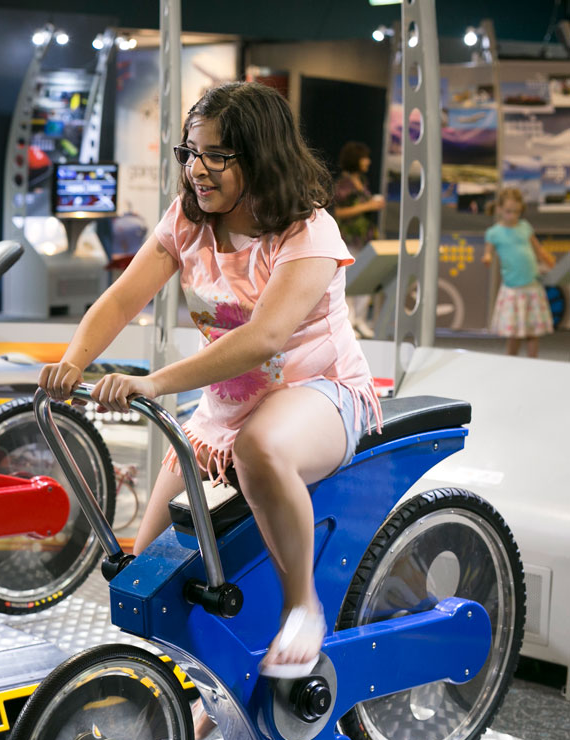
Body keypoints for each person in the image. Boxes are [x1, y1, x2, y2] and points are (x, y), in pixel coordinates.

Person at [39, 82, 381, 681]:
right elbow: (122, 299)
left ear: (261, 155)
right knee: (147, 572)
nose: (198, 170)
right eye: (191, 153)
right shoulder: (189, 221)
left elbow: (264, 339)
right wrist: (72, 361)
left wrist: (154, 382)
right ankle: (208, 685)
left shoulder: (308, 232)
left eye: (216, 155)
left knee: (262, 449)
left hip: (319, 393)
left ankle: (304, 606)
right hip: (226, 408)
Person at [482, 187, 556, 357]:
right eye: (508, 211)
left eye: (516, 212)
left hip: (532, 287)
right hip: (513, 290)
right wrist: (486, 257)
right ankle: (511, 361)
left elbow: (537, 249)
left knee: (532, 332)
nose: (513, 216)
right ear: (499, 209)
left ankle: (533, 362)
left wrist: (547, 259)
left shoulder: (525, 227)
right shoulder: (494, 233)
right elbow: (488, 251)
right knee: (514, 332)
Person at [331, 141, 385, 338]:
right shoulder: (343, 184)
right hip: (348, 239)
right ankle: (349, 321)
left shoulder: (362, 182)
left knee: (365, 279)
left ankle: (360, 320)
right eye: (364, 158)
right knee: (348, 281)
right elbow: (340, 211)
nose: (368, 162)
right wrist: (368, 206)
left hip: (364, 239)